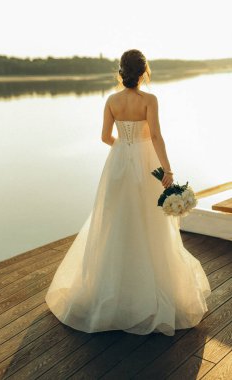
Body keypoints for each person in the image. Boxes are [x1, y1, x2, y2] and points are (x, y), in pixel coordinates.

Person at [45, 49, 211, 336]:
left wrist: (124, 149)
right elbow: (157, 136)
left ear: (121, 72)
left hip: (119, 164)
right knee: (149, 221)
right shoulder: (150, 100)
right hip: (147, 164)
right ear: (144, 71)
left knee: (115, 219)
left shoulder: (111, 100)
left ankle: (110, 289)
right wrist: (167, 170)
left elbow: (104, 137)